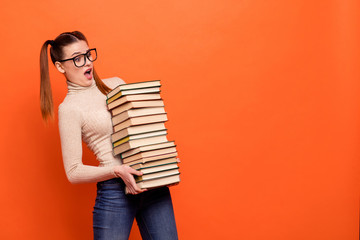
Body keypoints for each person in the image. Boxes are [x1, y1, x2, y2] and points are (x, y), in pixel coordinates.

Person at [39, 31, 178, 240]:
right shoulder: (69, 109)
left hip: (152, 182)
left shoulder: (116, 84)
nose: (87, 62)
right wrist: (117, 170)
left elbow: (140, 128)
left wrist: (161, 156)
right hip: (115, 193)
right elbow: (73, 171)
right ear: (60, 66)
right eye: (77, 59)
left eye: (88, 54)